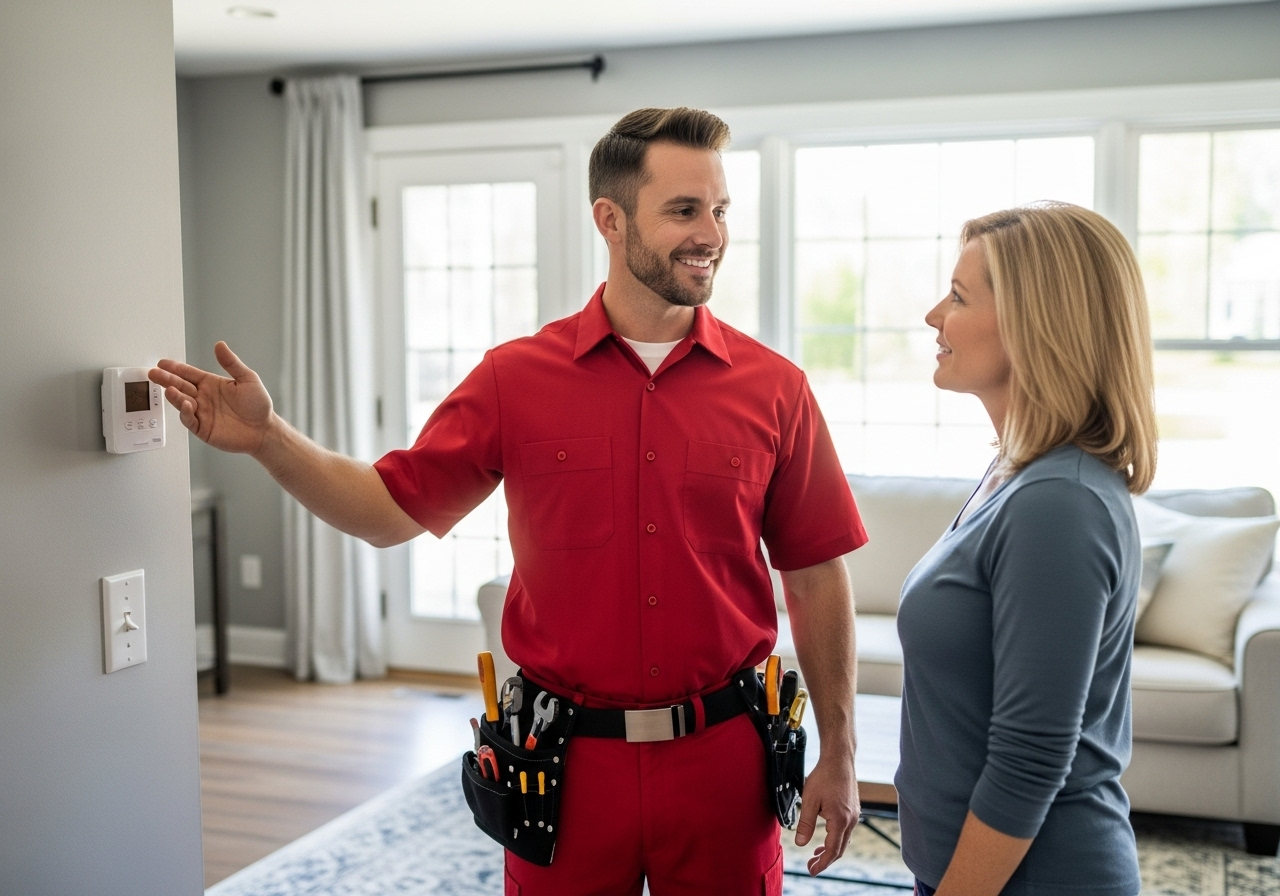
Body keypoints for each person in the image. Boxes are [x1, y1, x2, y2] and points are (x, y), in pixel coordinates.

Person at [150, 107, 868, 895]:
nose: (711, 233)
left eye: (721, 209)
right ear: (610, 218)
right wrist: (267, 439)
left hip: (724, 761)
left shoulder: (776, 389)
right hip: (563, 768)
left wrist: (841, 746)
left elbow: (815, 572)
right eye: (684, 210)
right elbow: (387, 511)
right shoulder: (515, 379)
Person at [898, 203, 1158, 896]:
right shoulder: (1014, 473)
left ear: (1032, 322)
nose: (933, 316)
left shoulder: (1058, 504)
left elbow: (1030, 758)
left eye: (957, 297)